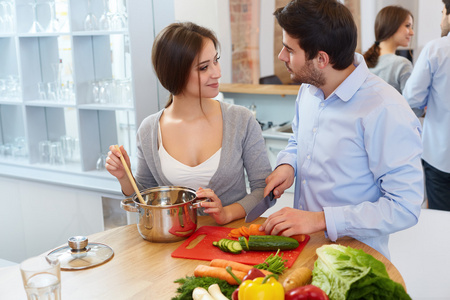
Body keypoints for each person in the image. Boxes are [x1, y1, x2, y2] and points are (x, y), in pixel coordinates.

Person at [260, 0, 423, 259]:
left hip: (355, 261)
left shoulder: (385, 109)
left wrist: (322, 220)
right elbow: (298, 140)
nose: (281, 57)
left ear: (321, 59)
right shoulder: (309, 90)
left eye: (289, 50)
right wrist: (288, 164)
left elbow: (405, 206)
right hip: (303, 251)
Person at [106, 22, 272, 224]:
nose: (217, 73)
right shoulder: (149, 130)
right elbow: (145, 198)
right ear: (176, 72)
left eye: (216, 61)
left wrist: (226, 213)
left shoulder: (241, 120)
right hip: (174, 243)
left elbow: (264, 190)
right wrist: (125, 177)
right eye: (204, 67)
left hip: (232, 243)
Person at [403, 0, 450, 211]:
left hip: (441, 156)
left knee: (442, 225)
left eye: (442, 13)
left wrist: (426, 106)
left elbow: (411, 98)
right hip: (439, 157)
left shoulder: (437, 49)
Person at [363, 6, 423, 118]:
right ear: (391, 26)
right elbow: (412, 109)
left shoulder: (362, 62)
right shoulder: (402, 64)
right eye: (407, 26)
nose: (412, 32)